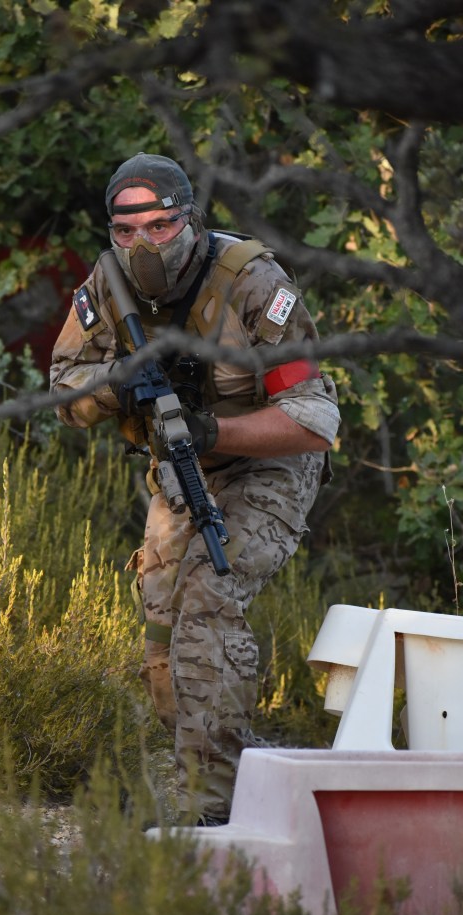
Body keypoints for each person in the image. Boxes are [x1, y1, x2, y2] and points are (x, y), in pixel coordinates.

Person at [50, 152, 340, 825]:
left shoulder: (252, 284)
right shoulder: (107, 284)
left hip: (269, 464)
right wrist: (115, 386)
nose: (143, 245)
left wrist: (214, 431)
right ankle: (237, 772)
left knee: (209, 598)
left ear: (191, 220)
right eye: (126, 231)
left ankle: (207, 810)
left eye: (160, 226)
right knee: (162, 634)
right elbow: (64, 391)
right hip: (184, 469)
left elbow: (314, 420)